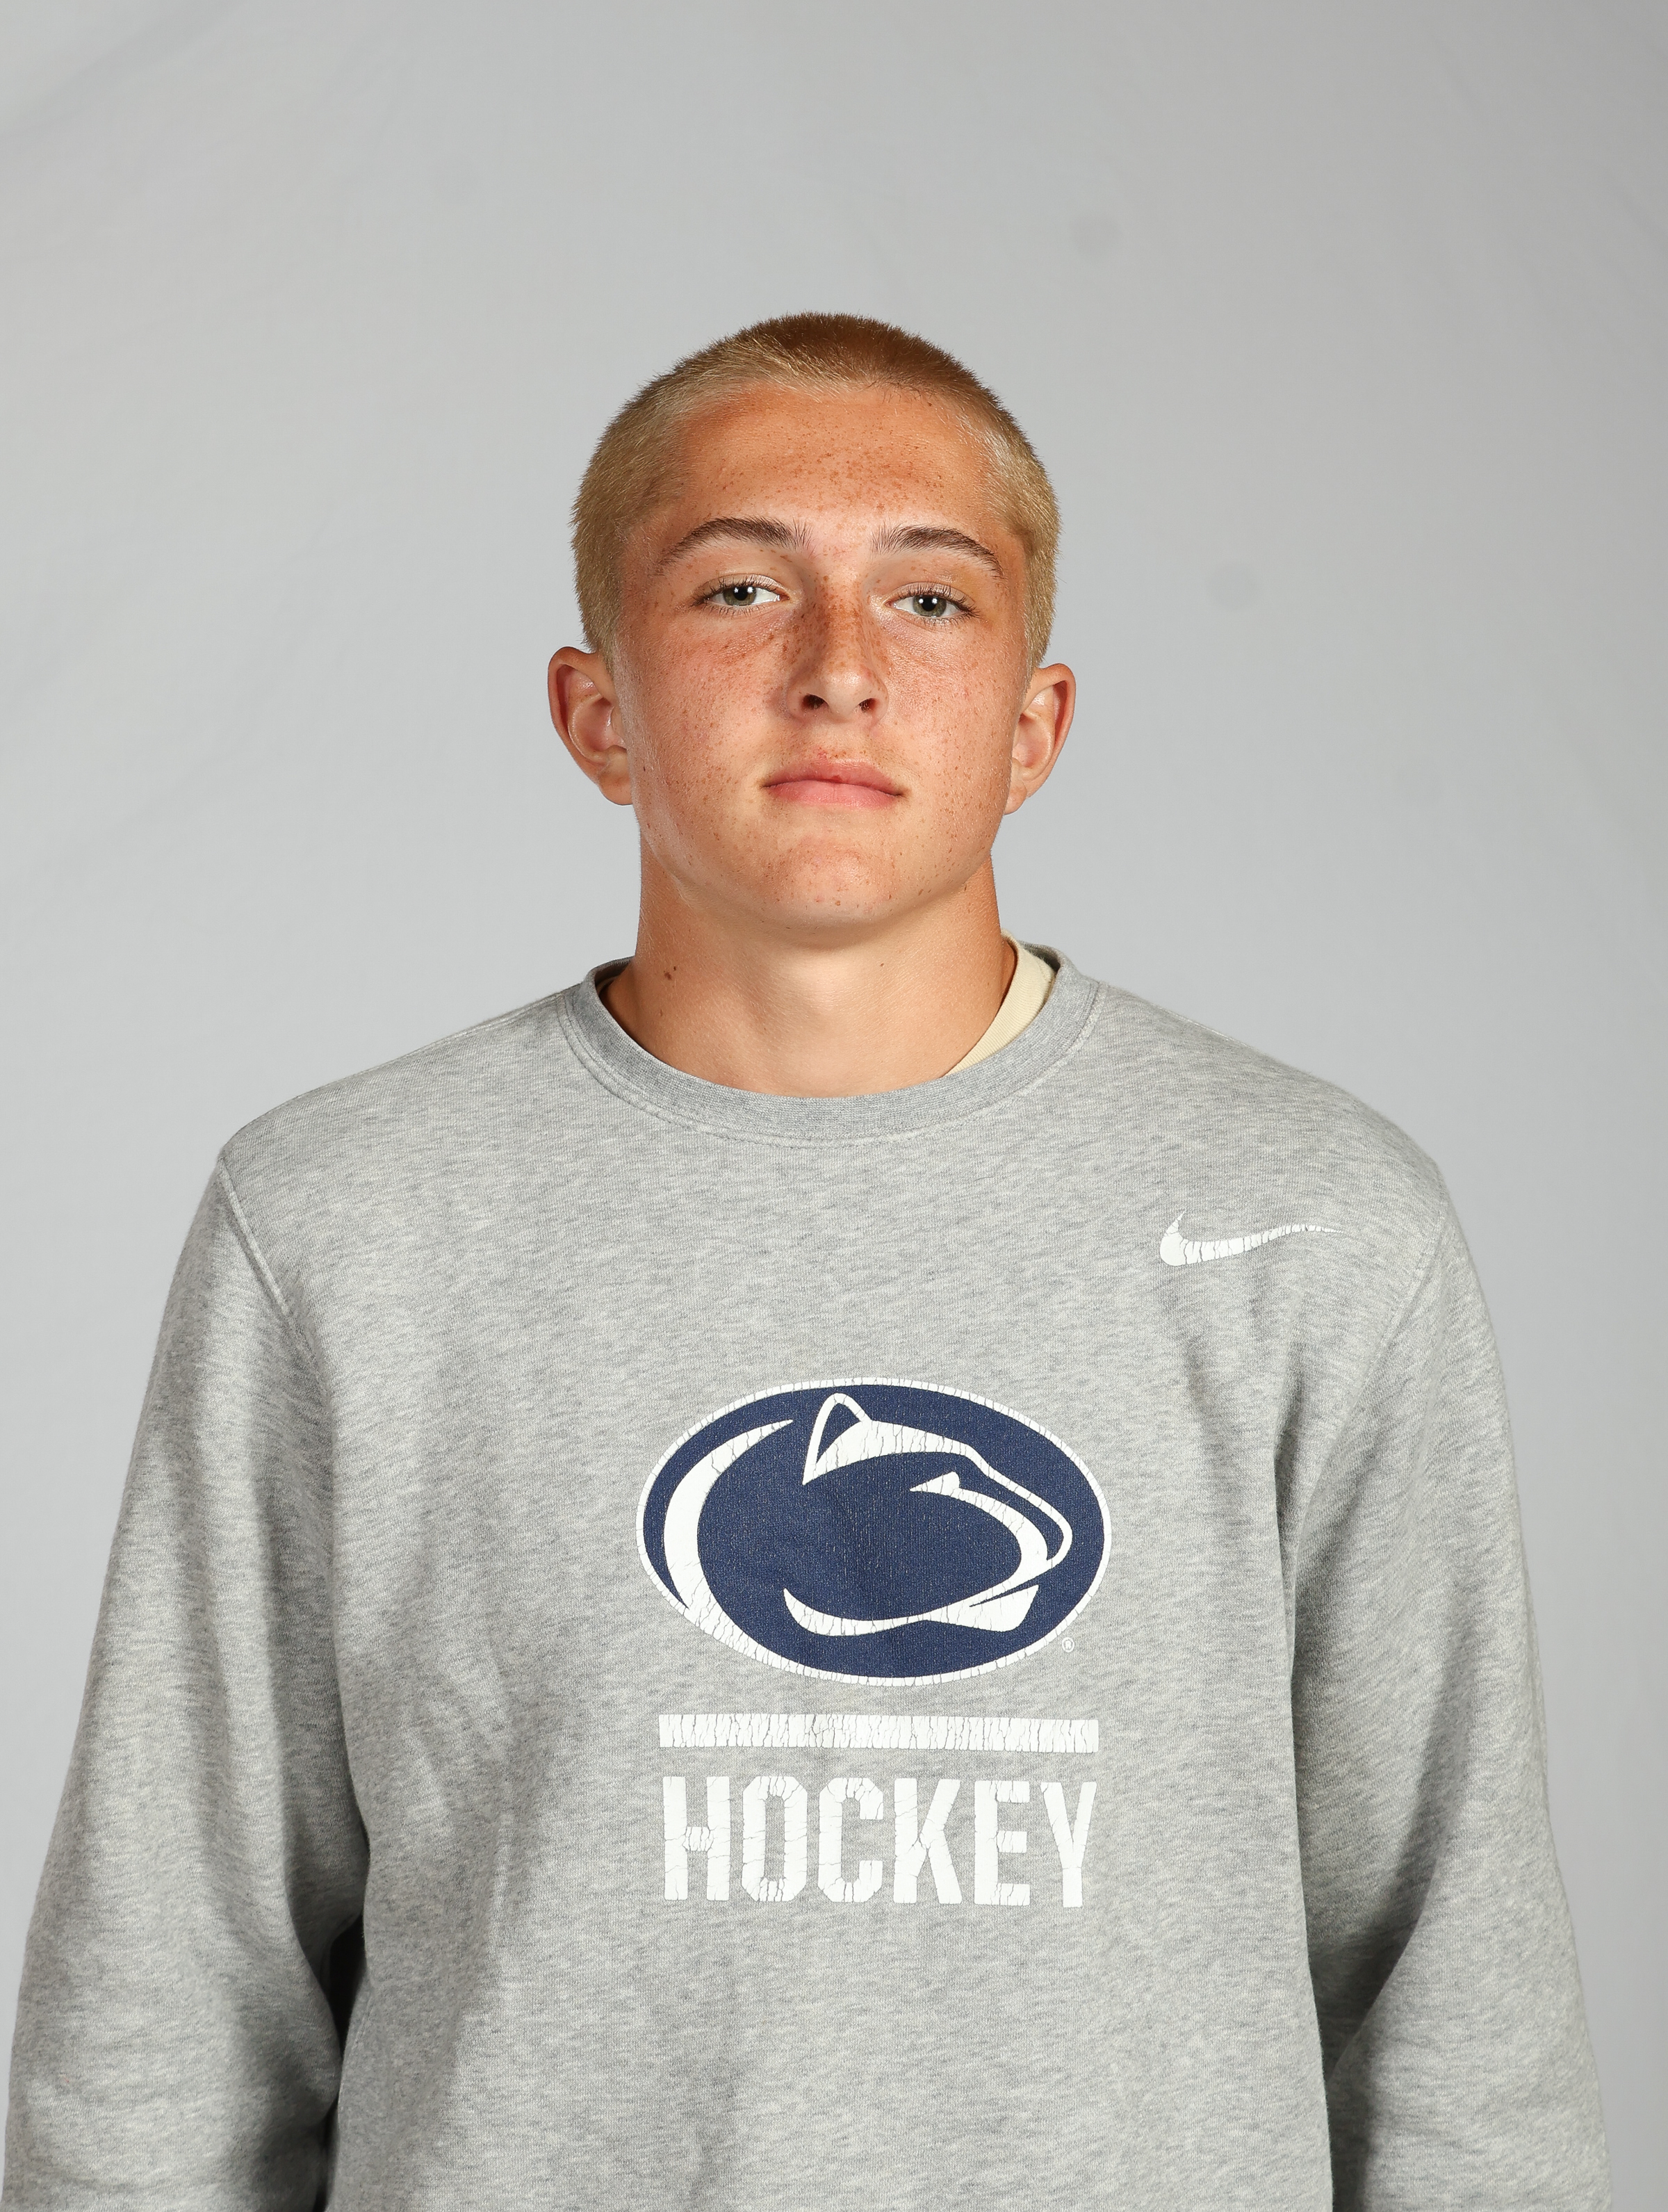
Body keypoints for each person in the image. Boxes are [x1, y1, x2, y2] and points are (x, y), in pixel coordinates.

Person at [3, 315, 1608, 2210]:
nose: (839, 667)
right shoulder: (347, 1222)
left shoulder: (1313, 1221)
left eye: (929, 599)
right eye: (742, 587)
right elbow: (165, 2013)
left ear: (1034, 725)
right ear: (598, 713)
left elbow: (1460, 2013)